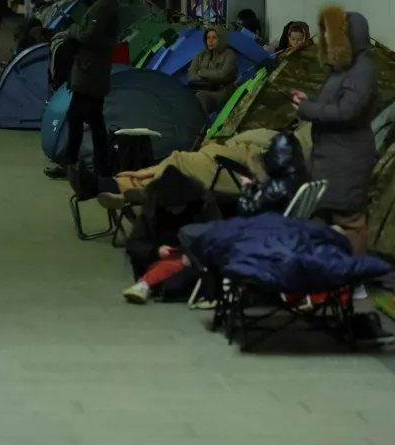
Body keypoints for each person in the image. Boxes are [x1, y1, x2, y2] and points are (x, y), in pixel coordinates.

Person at [292, 5, 378, 257]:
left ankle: (354, 278)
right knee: (327, 213)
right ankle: (334, 276)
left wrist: (308, 109)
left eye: (333, 34)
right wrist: (309, 100)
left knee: (349, 217)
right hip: (331, 153)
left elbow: (345, 112)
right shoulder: (343, 70)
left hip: (349, 155)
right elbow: (333, 104)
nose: (328, 39)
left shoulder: (363, 70)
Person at [95, 123, 314, 210]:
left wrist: (229, 148)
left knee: (179, 161)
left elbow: (266, 161)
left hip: (238, 172)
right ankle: (128, 188)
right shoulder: (302, 133)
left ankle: (117, 186)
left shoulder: (302, 146)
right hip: (232, 162)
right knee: (178, 164)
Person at [56, 0, 120, 177]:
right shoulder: (107, 5)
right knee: (94, 119)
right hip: (94, 71)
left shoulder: (101, 8)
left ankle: (70, 164)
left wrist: (72, 30)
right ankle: (101, 165)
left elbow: (89, 36)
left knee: (75, 117)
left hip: (89, 71)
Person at [122, 168, 220, 305]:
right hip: (161, 257)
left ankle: (145, 284)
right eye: (169, 207)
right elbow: (134, 244)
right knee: (170, 267)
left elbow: (217, 237)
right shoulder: (152, 211)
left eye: (177, 206)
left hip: (194, 260)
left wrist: (195, 254)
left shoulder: (204, 206)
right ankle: (147, 284)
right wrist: (156, 251)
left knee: (177, 269)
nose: (174, 211)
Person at [188, 26, 238, 114]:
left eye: (214, 38)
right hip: (201, 88)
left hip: (221, 92)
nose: (210, 41)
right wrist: (203, 80)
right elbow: (191, 73)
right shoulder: (201, 55)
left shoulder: (229, 54)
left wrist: (201, 72)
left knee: (201, 97)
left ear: (221, 39)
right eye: (208, 38)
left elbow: (222, 75)